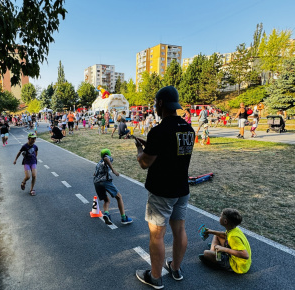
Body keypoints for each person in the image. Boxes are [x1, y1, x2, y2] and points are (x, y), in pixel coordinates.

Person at [135, 86, 195, 289]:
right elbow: (172, 152)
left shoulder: (159, 130)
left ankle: (155, 277)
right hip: (182, 189)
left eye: (155, 102)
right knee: (180, 231)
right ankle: (176, 269)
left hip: (162, 191)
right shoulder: (188, 129)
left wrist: (139, 151)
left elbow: (145, 163)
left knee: (157, 235)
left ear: (160, 104)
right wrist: (150, 146)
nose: (154, 106)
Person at [199, 208, 252, 274]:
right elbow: (225, 235)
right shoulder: (234, 229)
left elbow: (245, 255)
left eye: (221, 216)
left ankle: (213, 256)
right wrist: (210, 231)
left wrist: (223, 249)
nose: (220, 217)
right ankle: (214, 253)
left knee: (206, 253)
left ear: (225, 221)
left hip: (237, 266)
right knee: (216, 235)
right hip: (241, 262)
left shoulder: (233, 237)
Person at [93, 148, 133, 225]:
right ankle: (124, 218)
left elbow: (95, 174)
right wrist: (113, 170)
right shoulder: (107, 157)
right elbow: (106, 158)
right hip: (104, 181)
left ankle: (107, 214)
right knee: (119, 197)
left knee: (106, 200)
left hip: (96, 183)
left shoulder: (98, 163)